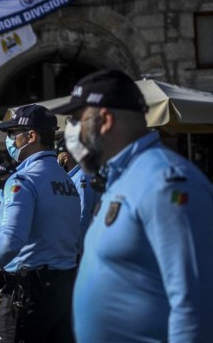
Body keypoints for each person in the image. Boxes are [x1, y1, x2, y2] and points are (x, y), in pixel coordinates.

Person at [49, 69, 213, 342]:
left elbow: (195, 303)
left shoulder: (166, 182)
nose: (71, 131)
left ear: (105, 120)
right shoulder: (121, 178)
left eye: (77, 120)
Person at [0, 104, 81, 343]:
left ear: (31, 136)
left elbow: (11, 239)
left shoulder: (24, 179)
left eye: (13, 134)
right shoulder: (66, 181)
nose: (10, 140)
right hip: (63, 286)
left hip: (28, 289)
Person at [55, 137, 100, 257]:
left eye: (58, 155)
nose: (56, 159)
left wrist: (78, 250)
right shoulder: (70, 177)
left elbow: (82, 215)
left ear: (65, 156)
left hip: (81, 247)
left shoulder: (82, 178)